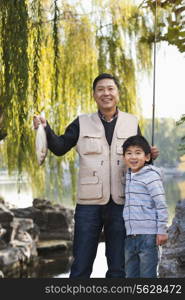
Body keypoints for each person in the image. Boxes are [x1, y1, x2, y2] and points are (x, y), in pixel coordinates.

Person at [33, 73, 159, 278]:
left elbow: (139, 162)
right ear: (94, 95)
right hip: (88, 205)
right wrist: (45, 129)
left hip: (122, 204)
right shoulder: (81, 122)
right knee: (81, 265)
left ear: (117, 93)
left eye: (110, 88)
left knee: (120, 267)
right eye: (100, 89)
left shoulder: (131, 122)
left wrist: (149, 156)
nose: (106, 93)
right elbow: (59, 147)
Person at [122, 135, 168, 278]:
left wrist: (161, 230)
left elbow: (161, 205)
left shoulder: (151, 176)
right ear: (124, 158)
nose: (133, 157)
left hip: (148, 236)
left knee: (148, 275)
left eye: (138, 152)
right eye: (129, 153)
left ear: (147, 157)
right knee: (130, 275)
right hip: (130, 236)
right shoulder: (129, 175)